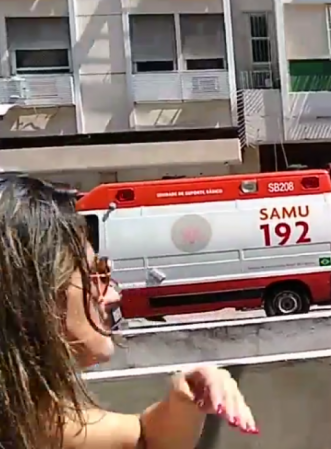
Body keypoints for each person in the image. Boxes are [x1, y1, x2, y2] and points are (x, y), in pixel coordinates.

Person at [0, 175, 257, 449]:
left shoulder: (25, 416)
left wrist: (185, 398)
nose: (113, 294)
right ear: (33, 293)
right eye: (95, 274)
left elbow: (142, 438)